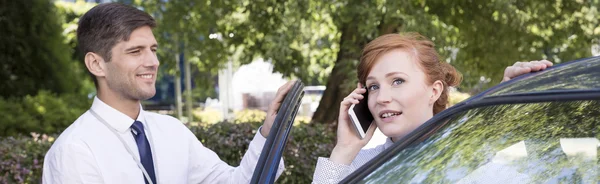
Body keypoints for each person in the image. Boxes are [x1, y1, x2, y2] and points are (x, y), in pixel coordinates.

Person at [42, 3, 291, 184]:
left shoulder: (172, 131)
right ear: (96, 64)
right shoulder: (74, 151)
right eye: (136, 51)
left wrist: (269, 133)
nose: (153, 62)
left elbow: (235, 182)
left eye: (153, 49)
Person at [311, 33, 553, 183]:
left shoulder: (475, 164)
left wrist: (498, 103)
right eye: (373, 86)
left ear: (434, 91)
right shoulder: (355, 165)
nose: (381, 97)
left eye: (397, 81)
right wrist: (343, 150)